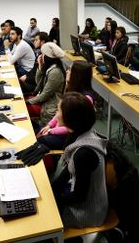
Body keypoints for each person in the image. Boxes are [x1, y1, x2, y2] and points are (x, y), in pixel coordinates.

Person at [50, 92, 109, 228]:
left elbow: (79, 196)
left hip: (87, 212)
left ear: (70, 118)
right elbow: (67, 172)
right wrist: (50, 190)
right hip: (81, 199)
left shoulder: (83, 154)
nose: (56, 112)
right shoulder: (80, 134)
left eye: (58, 110)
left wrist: (53, 200)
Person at [37, 63, 94, 150]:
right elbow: (60, 112)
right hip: (59, 130)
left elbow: (74, 126)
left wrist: (51, 131)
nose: (67, 71)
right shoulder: (71, 89)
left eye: (70, 70)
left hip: (69, 137)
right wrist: (50, 125)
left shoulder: (86, 98)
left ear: (77, 75)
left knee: (40, 140)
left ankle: (51, 162)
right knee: (37, 133)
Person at [26, 42, 66, 125]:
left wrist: (27, 101)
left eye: (42, 54)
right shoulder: (50, 68)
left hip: (49, 107)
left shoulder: (55, 72)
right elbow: (38, 83)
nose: (40, 56)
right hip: (45, 102)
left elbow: (44, 95)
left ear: (48, 57)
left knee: (24, 108)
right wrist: (40, 67)